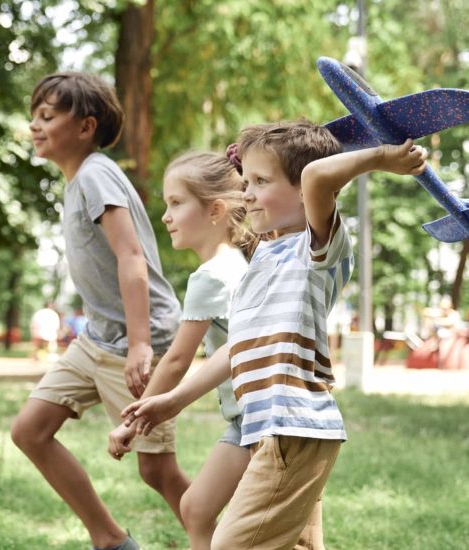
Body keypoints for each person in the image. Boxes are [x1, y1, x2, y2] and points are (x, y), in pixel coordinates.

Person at [123, 122, 428, 549]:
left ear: (304, 194)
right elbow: (239, 347)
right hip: (272, 430)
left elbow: (317, 177)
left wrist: (382, 157)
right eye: (246, 181)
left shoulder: (317, 250)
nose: (246, 193)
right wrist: (170, 401)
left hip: (293, 429)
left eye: (261, 182)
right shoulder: (264, 257)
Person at [10, 71, 188, 550]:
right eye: (34, 116)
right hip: (96, 339)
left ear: (85, 127)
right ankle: (110, 540)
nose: (35, 126)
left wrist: (139, 345)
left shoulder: (95, 173)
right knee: (30, 431)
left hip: (138, 336)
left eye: (47, 116)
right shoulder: (77, 182)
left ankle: (229, 543)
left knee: (157, 470)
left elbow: (131, 257)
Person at [106, 150, 251, 549]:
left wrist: (131, 423)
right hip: (248, 419)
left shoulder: (211, 277)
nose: (166, 216)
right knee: (195, 510)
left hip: (254, 423)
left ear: (215, 210)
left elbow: (175, 361)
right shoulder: (239, 264)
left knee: (201, 512)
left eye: (176, 203)